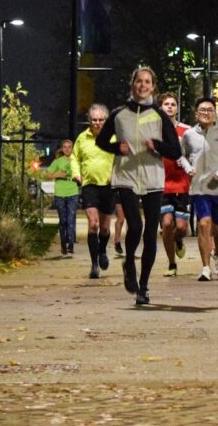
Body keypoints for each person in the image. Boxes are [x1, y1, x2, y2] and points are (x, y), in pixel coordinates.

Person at [96, 67, 181, 306]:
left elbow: (176, 151)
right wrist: (116, 148)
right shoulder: (119, 114)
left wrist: (157, 145)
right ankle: (130, 263)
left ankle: (143, 287)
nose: (143, 86)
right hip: (126, 175)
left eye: (147, 82)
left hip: (153, 178)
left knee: (150, 232)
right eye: (139, 81)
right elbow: (101, 140)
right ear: (132, 83)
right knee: (135, 225)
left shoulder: (159, 115)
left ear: (152, 87)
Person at [180, 97, 218, 281]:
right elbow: (181, 155)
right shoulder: (188, 135)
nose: (206, 113)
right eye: (202, 110)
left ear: (215, 113)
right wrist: (188, 167)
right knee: (204, 224)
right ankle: (205, 268)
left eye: (210, 110)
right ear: (196, 114)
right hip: (199, 188)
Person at [71, 105, 116, 279]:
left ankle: (102, 250)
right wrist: (76, 173)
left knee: (104, 228)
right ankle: (94, 264)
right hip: (89, 185)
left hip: (108, 186)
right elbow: (74, 158)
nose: (97, 123)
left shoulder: (113, 137)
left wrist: (117, 175)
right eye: (94, 120)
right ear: (89, 121)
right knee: (93, 224)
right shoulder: (82, 138)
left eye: (101, 120)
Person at [157, 92, 192, 277]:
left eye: (172, 104)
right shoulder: (154, 130)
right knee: (167, 223)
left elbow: (194, 153)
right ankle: (171, 263)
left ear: (177, 108)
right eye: (166, 104)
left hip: (182, 183)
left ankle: (179, 240)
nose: (169, 107)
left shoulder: (187, 131)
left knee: (181, 228)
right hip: (161, 183)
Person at [44, 139, 80, 257]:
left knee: (71, 219)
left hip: (73, 193)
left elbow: (82, 174)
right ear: (62, 149)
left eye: (69, 147)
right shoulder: (57, 161)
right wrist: (58, 174)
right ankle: (63, 244)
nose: (67, 149)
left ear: (72, 148)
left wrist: (79, 178)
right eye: (65, 147)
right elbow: (47, 174)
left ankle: (71, 245)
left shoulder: (76, 161)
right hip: (60, 194)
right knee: (63, 220)